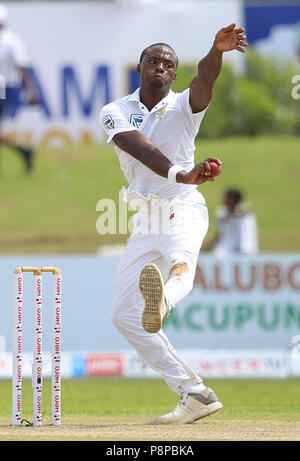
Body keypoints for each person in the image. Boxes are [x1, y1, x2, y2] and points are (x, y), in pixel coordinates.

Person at [100, 23, 248, 424]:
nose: (160, 68)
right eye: (153, 62)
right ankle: (194, 392)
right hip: (146, 216)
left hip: (183, 206)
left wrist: (216, 50)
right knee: (124, 315)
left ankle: (164, 299)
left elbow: (205, 79)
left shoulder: (185, 105)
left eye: (168, 64)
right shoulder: (115, 112)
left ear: (174, 73)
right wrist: (182, 172)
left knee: (181, 263)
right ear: (140, 68)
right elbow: (141, 149)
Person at [0, 4, 38, 173]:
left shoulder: (11, 41)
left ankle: (24, 150)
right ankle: (24, 150)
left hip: (6, 89)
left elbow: (22, 67)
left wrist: (30, 90)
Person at [208, 188, 258, 255]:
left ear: (233, 200)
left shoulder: (246, 216)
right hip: (224, 249)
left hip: (244, 249)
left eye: (226, 197)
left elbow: (247, 234)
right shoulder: (221, 212)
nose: (223, 199)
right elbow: (219, 231)